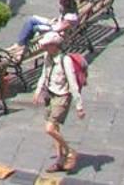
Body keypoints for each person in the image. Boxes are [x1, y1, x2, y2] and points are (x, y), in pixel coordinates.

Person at [32, 29, 85, 173]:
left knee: (49, 128)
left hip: (62, 96)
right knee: (55, 129)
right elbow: (44, 73)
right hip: (50, 95)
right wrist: (38, 91)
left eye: (47, 45)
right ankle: (60, 160)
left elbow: (73, 83)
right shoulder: (47, 56)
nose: (44, 48)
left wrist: (79, 106)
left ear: (55, 45)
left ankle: (69, 151)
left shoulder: (65, 60)